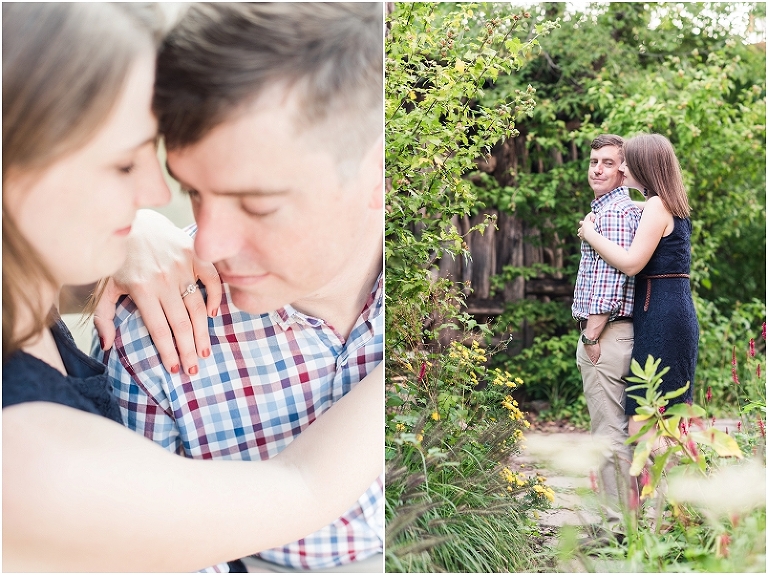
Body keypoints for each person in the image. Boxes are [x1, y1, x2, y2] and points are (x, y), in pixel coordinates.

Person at [2, 4, 382, 572]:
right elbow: (303, 486)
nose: (159, 196)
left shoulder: (29, 313)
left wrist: (127, 238)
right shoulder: (26, 461)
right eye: (124, 165)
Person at [578, 133, 699, 444]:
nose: (623, 167)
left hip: (662, 317)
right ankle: (675, 476)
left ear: (645, 165)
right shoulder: (666, 203)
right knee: (663, 418)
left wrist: (590, 233)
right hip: (668, 312)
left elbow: (631, 264)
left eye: (627, 162)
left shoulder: (657, 205)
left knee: (644, 423)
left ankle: (668, 477)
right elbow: (634, 208)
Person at [572, 134, 641, 527]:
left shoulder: (612, 213)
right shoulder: (619, 209)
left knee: (608, 433)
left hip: (605, 335)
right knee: (620, 430)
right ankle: (628, 522)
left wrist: (591, 336)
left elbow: (609, 282)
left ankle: (616, 527)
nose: (597, 169)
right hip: (618, 334)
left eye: (608, 163)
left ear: (623, 171)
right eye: (594, 161)